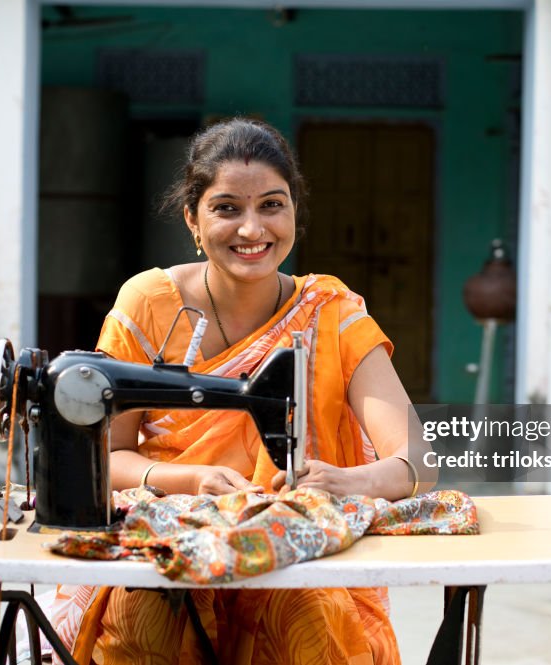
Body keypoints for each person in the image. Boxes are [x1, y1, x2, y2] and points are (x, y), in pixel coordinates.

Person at [53, 117, 431, 665]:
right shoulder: (147, 304)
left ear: (295, 213)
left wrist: (349, 479)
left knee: (305, 618)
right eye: (227, 208)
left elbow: (417, 460)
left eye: (272, 205)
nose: (252, 230)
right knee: (145, 622)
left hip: (291, 559)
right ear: (193, 219)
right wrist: (190, 478)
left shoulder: (332, 313)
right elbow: (102, 456)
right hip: (169, 549)